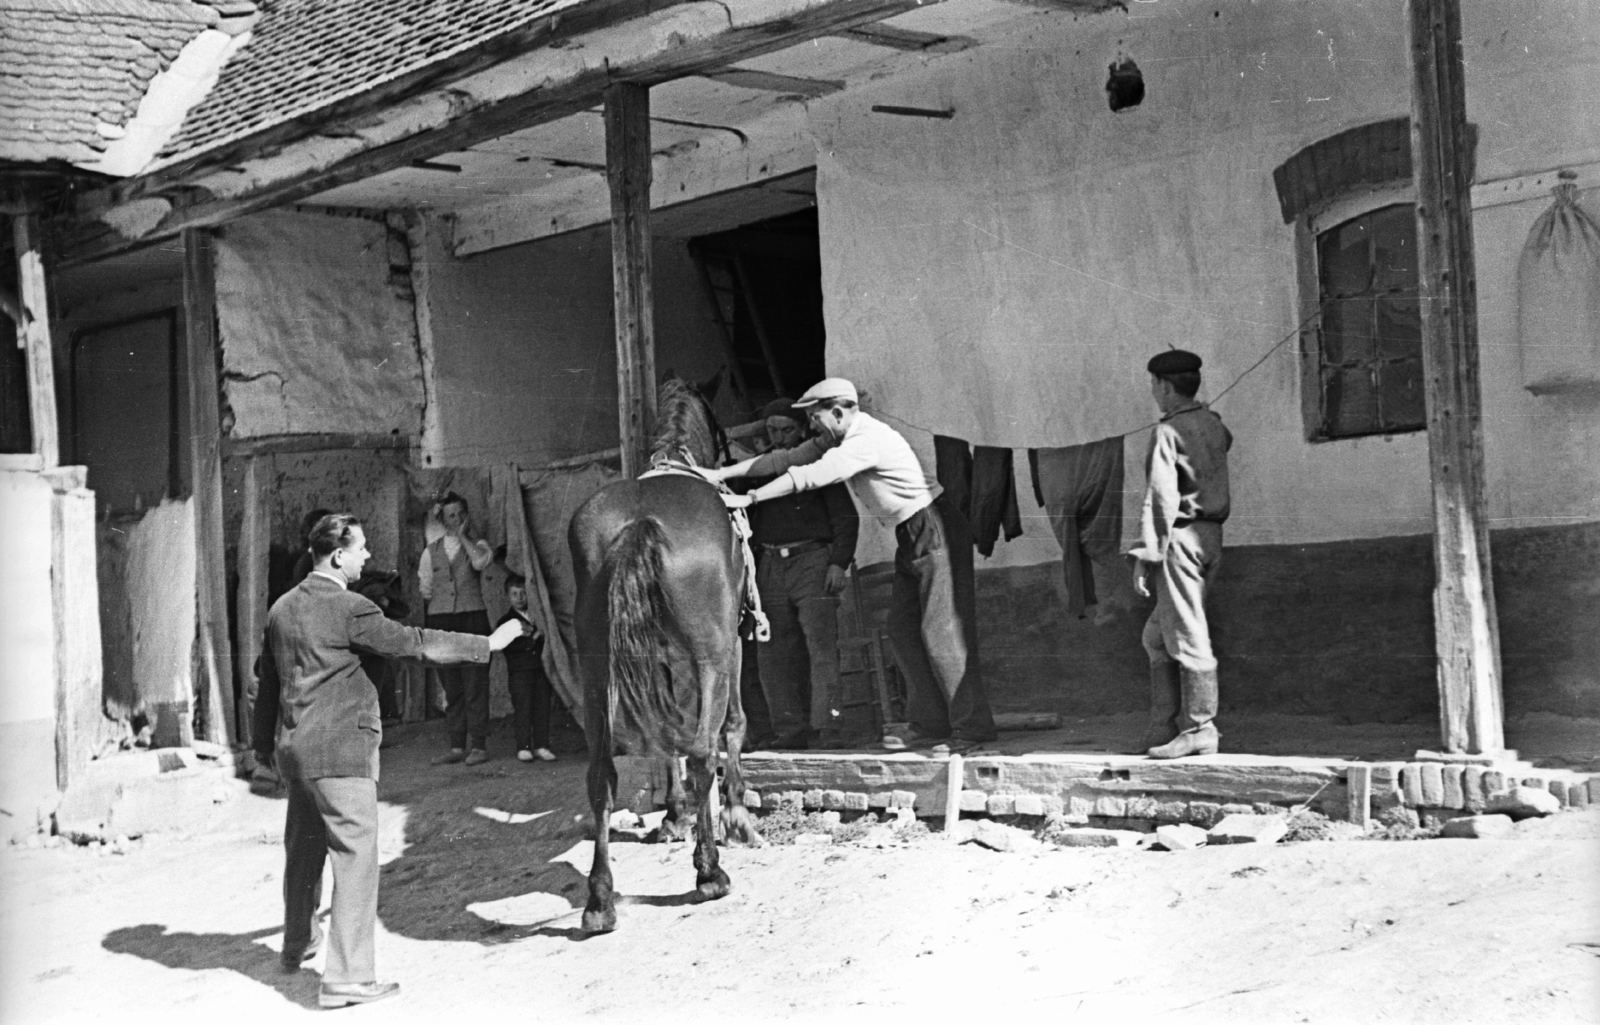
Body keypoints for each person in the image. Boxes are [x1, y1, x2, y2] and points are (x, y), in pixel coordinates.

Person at [252, 513, 527, 1008]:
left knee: (305, 850)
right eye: (361, 549)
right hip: (341, 754)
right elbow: (414, 645)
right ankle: (347, 979)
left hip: (297, 754)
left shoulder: (281, 609)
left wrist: (259, 750)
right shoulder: (351, 608)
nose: (368, 556)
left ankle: (297, 944)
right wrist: (489, 643)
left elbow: (266, 684)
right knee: (355, 861)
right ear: (337, 555)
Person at [715, 378, 996, 754]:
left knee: (941, 630)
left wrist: (750, 497)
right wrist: (719, 475)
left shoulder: (865, 440)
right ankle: (930, 723)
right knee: (902, 628)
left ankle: (971, 728)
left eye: (815, 418)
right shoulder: (837, 437)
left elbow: (807, 476)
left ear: (837, 412)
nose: (813, 426)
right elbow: (785, 460)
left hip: (933, 525)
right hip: (909, 532)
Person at [1127, 349, 1233, 759]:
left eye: (1155, 385)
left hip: (1182, 539)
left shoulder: (1168, 432)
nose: (1154, 393)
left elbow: (1160, 501)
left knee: (1188, 634)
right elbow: (1223, 440)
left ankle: (1200, 727)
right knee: (1156, 636)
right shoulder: (1212, 424)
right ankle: (1161, 726)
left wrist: (1145, 557)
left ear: (1165, 386)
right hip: (1211, 538)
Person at [745, 398, 859, 750]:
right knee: (772, 652)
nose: (779, 438)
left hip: (812, 561)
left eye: (787, 430)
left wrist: (839, 562)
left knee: (820, 647)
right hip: (770, 568)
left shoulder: (818, 465)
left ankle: (829, 727)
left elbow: (846, 518)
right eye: (772, 431)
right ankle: (789, 730)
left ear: (802, 430)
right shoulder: (758, 471)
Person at [417, 492, 495, 765]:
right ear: (441, 518)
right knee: (452, 686)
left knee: (475, 684)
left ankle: (479, 746)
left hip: (473, 619)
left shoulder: (479, 544)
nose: (457, 519)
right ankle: (456, 746)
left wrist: (464, 537)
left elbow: (478, 563)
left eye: (462, 513)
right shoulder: (430, 551)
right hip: (441, 622)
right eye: (451, 515)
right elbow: (426, 588)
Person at [497, 573, 556, 763]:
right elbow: (508, 647)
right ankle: (524, 746)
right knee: (523, 708)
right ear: (508, 596)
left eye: (523, 593)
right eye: (515, 594)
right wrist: (533, 639)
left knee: (542, 706)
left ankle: (542, 745)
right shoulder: (505, 622)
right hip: (520, 672)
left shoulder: (537, 617)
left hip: (540, 669)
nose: (520, 597)